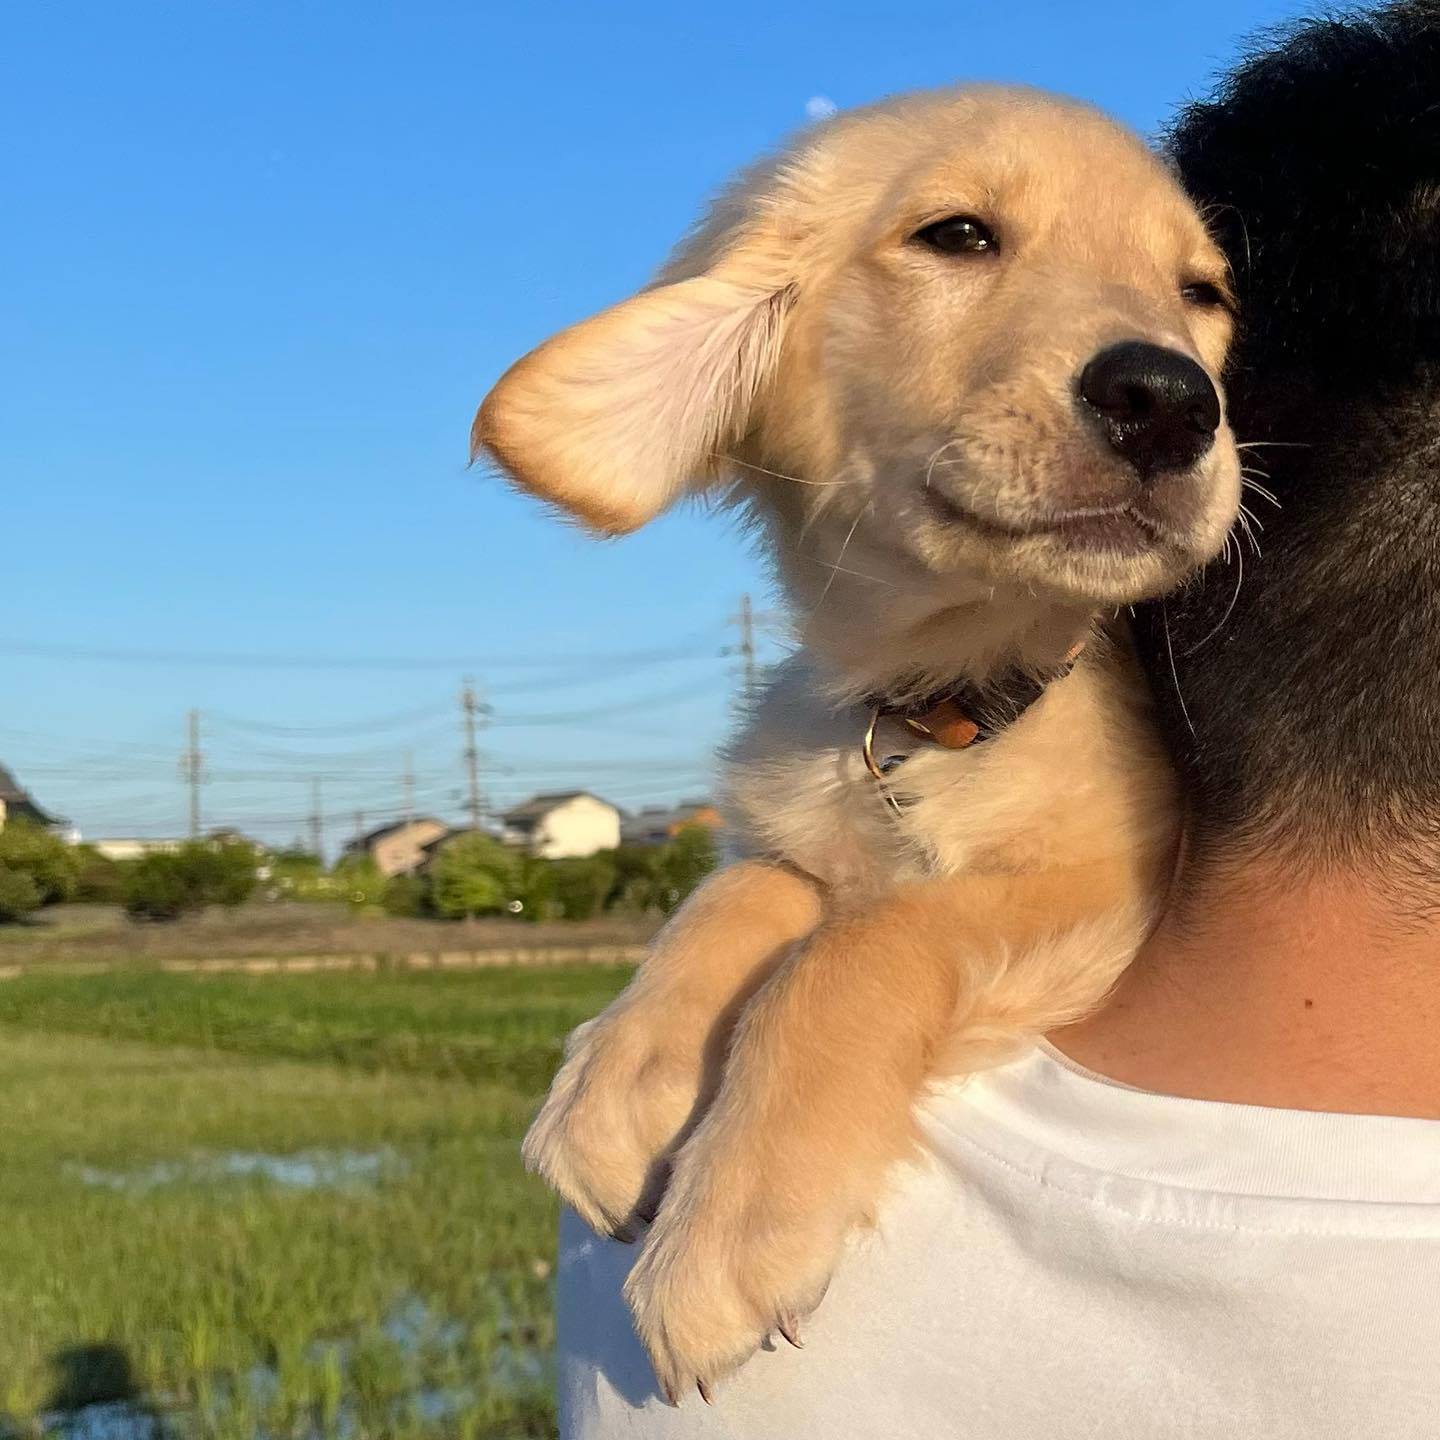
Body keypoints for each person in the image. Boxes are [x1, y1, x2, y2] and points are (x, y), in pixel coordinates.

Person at [555, 5, 1440, 1434]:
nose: (1161, 370)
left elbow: (1109, 893)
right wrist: (732, 929)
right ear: (761, 340)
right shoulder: (813, 754)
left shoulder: (1162, 717)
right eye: (963, 236)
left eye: (1199, 291)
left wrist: (864, 991)